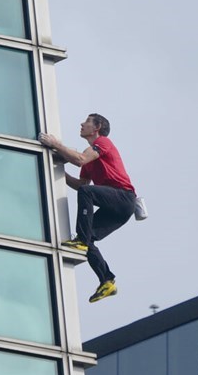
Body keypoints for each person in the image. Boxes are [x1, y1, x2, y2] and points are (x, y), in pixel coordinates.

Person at [38, 113, 136, 303]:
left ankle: (81, 240)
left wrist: (56, 144)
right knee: (89, 237)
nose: (82, 124)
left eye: (87, 121)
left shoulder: (103, 142)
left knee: (86, 197)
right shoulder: (90, 154)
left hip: (123, 198)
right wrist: (59, 172)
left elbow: (80, 160)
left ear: (97, 127)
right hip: (116, 207)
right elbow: (81, 183)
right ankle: (107, 281)